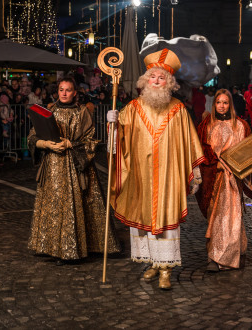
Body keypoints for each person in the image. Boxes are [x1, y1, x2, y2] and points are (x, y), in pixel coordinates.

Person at [106, 48, 204, 289]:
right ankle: (152, 262)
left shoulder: (179, 110)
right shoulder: (133, 108)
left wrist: (195, 174)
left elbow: (190, 144)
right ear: (145, 80)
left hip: (168, 177)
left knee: (166, 221)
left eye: (162, 78)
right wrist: (113, 125)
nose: (157, 81)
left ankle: (166, 269)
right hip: (140, 175)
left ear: (169, 83)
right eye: (153, 77)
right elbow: (118, 143)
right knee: (144, 219)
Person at [27, 77, 120, 265]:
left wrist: (72, 144)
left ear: (74, 92)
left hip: (75, 167)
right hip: (52, 166)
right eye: (61, 89)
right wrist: (43, 143)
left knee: (74, 205)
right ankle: (51, 247)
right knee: (53, 207)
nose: (64, 93)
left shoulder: (82, 112)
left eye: (68, 90)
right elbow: (32, 135)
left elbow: (92, 141)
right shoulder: (49, 111)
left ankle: (73, 248)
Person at [195, 89, 252, 271]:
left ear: (230, 105)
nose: (222, 106)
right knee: (216, 217)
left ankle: (222, 257)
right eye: (219, 102)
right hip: (214, 179)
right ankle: (225, 251)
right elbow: (200, 152)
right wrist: (215, 165)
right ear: (214, 104)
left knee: (231, 217)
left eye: (225, 102)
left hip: (233, 180)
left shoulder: (241, 125)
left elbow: (249, 152)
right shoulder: (206, 125)